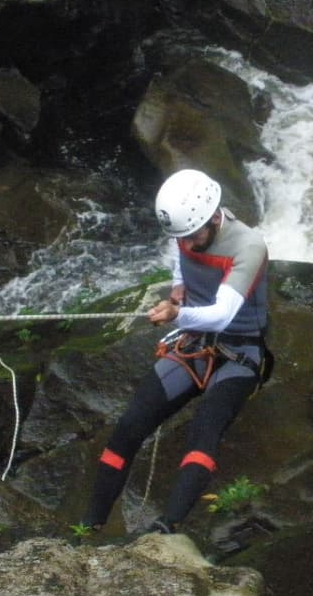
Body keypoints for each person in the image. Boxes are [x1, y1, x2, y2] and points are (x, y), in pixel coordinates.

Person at [80, 168, 271, 535]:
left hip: (240, 350)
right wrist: (179, 285)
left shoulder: (249, 246)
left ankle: (167, 527)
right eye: (184, 236)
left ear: (215, 216)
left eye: (195, 234)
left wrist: (176, 313)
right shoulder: (187, 230)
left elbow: (221, 314)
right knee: (130, 425)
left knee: (204, 431)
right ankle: (89, 525)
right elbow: (177, 247)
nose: (190, 242)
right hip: (195, 345)